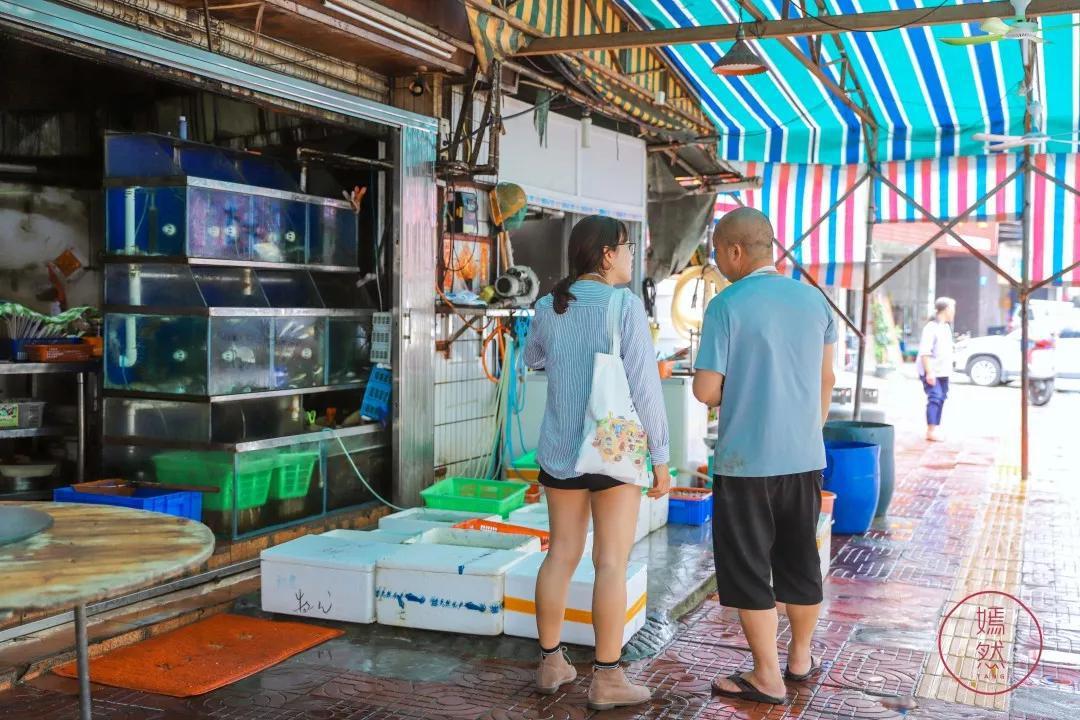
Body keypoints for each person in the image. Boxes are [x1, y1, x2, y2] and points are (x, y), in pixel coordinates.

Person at [524, 215, 671, 711]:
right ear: (607, 253)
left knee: (560, 554)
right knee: (611, 562)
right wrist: (662, 457)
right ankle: (607, 679)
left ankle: (551, 664)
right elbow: (647, 389)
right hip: (611, 451)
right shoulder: (624, 307)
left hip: (560, 450)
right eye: (628, 248)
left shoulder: (547, 305)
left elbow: (532, 359)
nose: (632, 256)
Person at [692, 208, 837, 706]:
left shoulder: (726, 305)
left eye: (717, 254)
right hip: (804, 456)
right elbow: (827, 379)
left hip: (745, 463)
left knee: (749, 568)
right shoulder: (815, 301)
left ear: (735, 251)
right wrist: (806, 429)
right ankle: (799, 657)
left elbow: (706, 390)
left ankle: (767, 676)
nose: (717, 263)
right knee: (800, 558)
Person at [918, 297, 956, 442]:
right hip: (932, 371)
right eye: (952, 309)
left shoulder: (945, 327)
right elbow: (925, 352)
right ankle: (931, 429)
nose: (954, 313)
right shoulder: (931, 328)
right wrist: (929, 372)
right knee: (935, 397)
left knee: (941, 398)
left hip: (943, 371)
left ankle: (936, 427)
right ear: (945, 310)